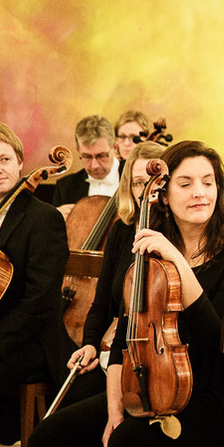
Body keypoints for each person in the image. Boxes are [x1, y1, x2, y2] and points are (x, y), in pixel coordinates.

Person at [24, 140, 224, 447]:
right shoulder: (148, 249)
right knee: (50, 436)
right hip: (149, 391)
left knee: (131, 442)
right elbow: (127, 338)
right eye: (186, 184)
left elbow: (216, 342)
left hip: (222, 400)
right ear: (164, 195)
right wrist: (114, 411)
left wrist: (178, 263)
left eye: (208, 181)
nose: (200, 192)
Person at [0, 122, 103, 447]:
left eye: (3, 160)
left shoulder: (43, 218)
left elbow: (41, 302)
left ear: (20, 161)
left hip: (30, 341)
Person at [68, 141, 165, 373]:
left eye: (157, 181)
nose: (147, 190)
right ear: (129, 188)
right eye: (139, 183)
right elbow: (101, 303)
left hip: (160, 358)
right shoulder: (122, 231)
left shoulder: (177, 233)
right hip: (116, 351)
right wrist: (90, 344)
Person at [53, 115, 121, 218]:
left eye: (101, 156)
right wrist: (55, 218)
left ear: (115, 147)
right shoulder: (65, 187)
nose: (94, 165)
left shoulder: (133, 178)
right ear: (78, 150)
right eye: (86, 157)